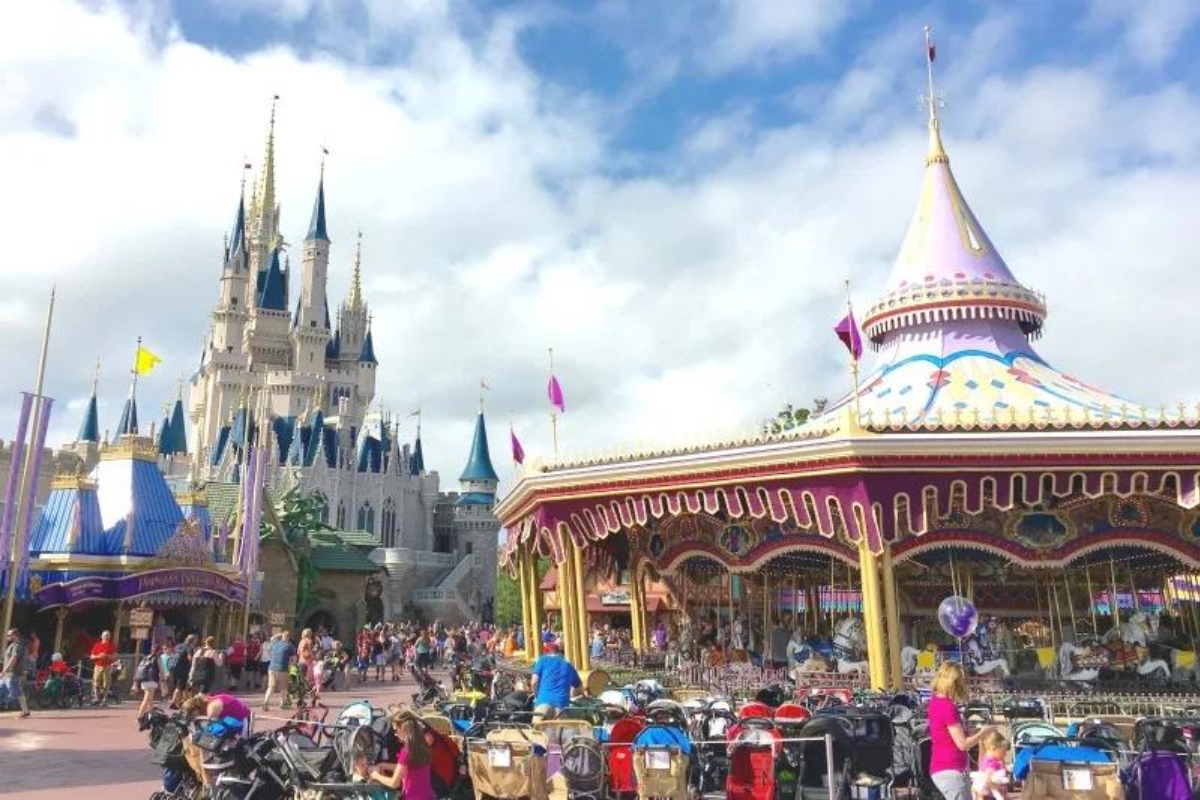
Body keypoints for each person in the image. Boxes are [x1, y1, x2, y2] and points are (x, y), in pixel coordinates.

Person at [929, 661, 993, 800]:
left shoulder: (935, 702)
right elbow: (963, 744)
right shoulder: (947, 707)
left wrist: (970, 731)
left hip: (943, 767)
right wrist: (983, 732)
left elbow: (946, 733)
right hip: (951, 768)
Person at [369, 710, 435, 800]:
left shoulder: (406, 752)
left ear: (403, 729)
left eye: (396, 730)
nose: (395, 734)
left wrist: (375, 775)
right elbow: (409, 768)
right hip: (428, 796)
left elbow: (394, 783)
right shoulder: (423, 746)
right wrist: (383, 765)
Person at [529, 641, 581, 721]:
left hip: (543, 703)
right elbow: (577, 687)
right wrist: (570, 695)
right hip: (561, 706)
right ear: (559, 653)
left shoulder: (543, 660)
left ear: (546, 653)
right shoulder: (568, 665)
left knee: (537, 732)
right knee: (561, 732)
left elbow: (534, 682)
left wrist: (537, 696)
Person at [971, 730, 1010, 800]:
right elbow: (988, 780)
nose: (1005, 754)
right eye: (1003, 751)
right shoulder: (991, 763)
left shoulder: (984, 759)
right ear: (994, 748)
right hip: (990, 796)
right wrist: (998, 787)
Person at [263, 631, 295, 711]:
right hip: (283, 669)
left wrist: (279, 634)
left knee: (271, 686)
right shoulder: (289, 646)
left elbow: (272, 639)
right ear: (288, 638)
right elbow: (294, 659)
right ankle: (282, 703)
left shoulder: (275, 643)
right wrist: (291, 666)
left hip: (272, 668)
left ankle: (266, 701)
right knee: (283, 687)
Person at [2, 628, 30, 718]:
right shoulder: (13, 645)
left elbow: (13, 659)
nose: (7, 637)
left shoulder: (18, 646)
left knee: (16, 692)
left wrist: (4, 671)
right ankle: (25, 711)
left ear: (15, 635)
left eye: (9, 635)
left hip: (12, 674)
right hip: (8, 674)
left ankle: (25, 711)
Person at [183, 692, 252, 727]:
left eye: (190, 714)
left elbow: (210, 728)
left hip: (243, 719)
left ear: (196, 708)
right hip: (234, 719)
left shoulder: (211, 708)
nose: (191, 717)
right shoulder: (207, 702)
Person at [134, 643, 163, 718]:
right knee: (146, 699)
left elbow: (138, 669)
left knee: (150, 700)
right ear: (159, 651)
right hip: (152, 679)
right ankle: (140, 717)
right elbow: (161, 670)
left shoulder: (146, 657)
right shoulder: (158, 658)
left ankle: (150, 716)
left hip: (143, 679)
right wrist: (163, 681)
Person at [89, 630, 118, 703]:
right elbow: (91, 656)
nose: (106, 637)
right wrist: (98, 656)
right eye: (105, 635)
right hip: (98, 665)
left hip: (107, 666)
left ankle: (105, 698)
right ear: (101, 636)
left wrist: (107, 656)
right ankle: (97, 698)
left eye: (108, 635)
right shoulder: (97, 645)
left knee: (107, 683)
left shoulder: (111, 646)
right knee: (96, 682)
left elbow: (115, 656)